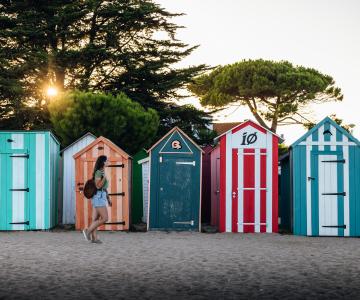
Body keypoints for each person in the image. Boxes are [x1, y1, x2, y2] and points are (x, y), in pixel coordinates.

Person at [82, 155, 112, 243]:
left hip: (101, 196)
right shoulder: (99, 172)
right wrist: (105, 178)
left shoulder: (102, 171)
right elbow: (98, 186)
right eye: (107, 160)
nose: (109, 161)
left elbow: (104, 188)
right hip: (99, 197)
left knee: (95, 219)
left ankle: (94, 238)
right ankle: (87, 231)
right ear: (103, 162)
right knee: (105, 218)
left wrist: (108, 198)